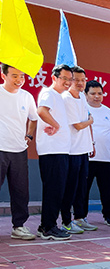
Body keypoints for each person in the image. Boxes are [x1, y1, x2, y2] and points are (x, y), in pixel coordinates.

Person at [35, 64, 76, 240]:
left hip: (60, 150)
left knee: (57, 190)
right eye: (64, 78)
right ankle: (48, 227)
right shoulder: (48, 93)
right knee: (53, 189)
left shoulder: (59, 97)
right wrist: (56, 125)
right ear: (54, 78)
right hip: (52, 151)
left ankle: (48, 224)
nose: (67, 82)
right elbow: (42, 110)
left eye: (70, 79)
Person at [0, 63, 38, 240]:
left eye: (22, 76)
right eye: (15, 76)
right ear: (4, 75)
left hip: (19, 150)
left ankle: (19, 226)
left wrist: (29, 135)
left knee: (20, 191)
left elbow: (33, 118)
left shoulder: (27, 96)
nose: (19, 80)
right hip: (0, 149)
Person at [61, 66, 95, 234]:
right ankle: (66, 222)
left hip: (84, 149)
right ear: (69, 80)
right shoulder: (66, 98)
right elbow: (78, 124)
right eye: (77, 80)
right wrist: (90, 121)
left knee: (82, 187)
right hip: (71, 150)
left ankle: (80, 218)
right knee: (70, 188)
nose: (81, 83)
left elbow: (85, 122)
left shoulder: (82, 96)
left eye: (83, 80)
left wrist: (91, 144)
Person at [84, 80, 110, 227]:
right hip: (86, 157)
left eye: (99, 93)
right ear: (86, 94)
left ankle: (109, 215)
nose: (96, 96)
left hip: (106, 158)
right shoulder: (82, 109)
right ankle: (80, 216)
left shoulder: (109, 112)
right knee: (83, 190)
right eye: (93, 93)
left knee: (107, 189)